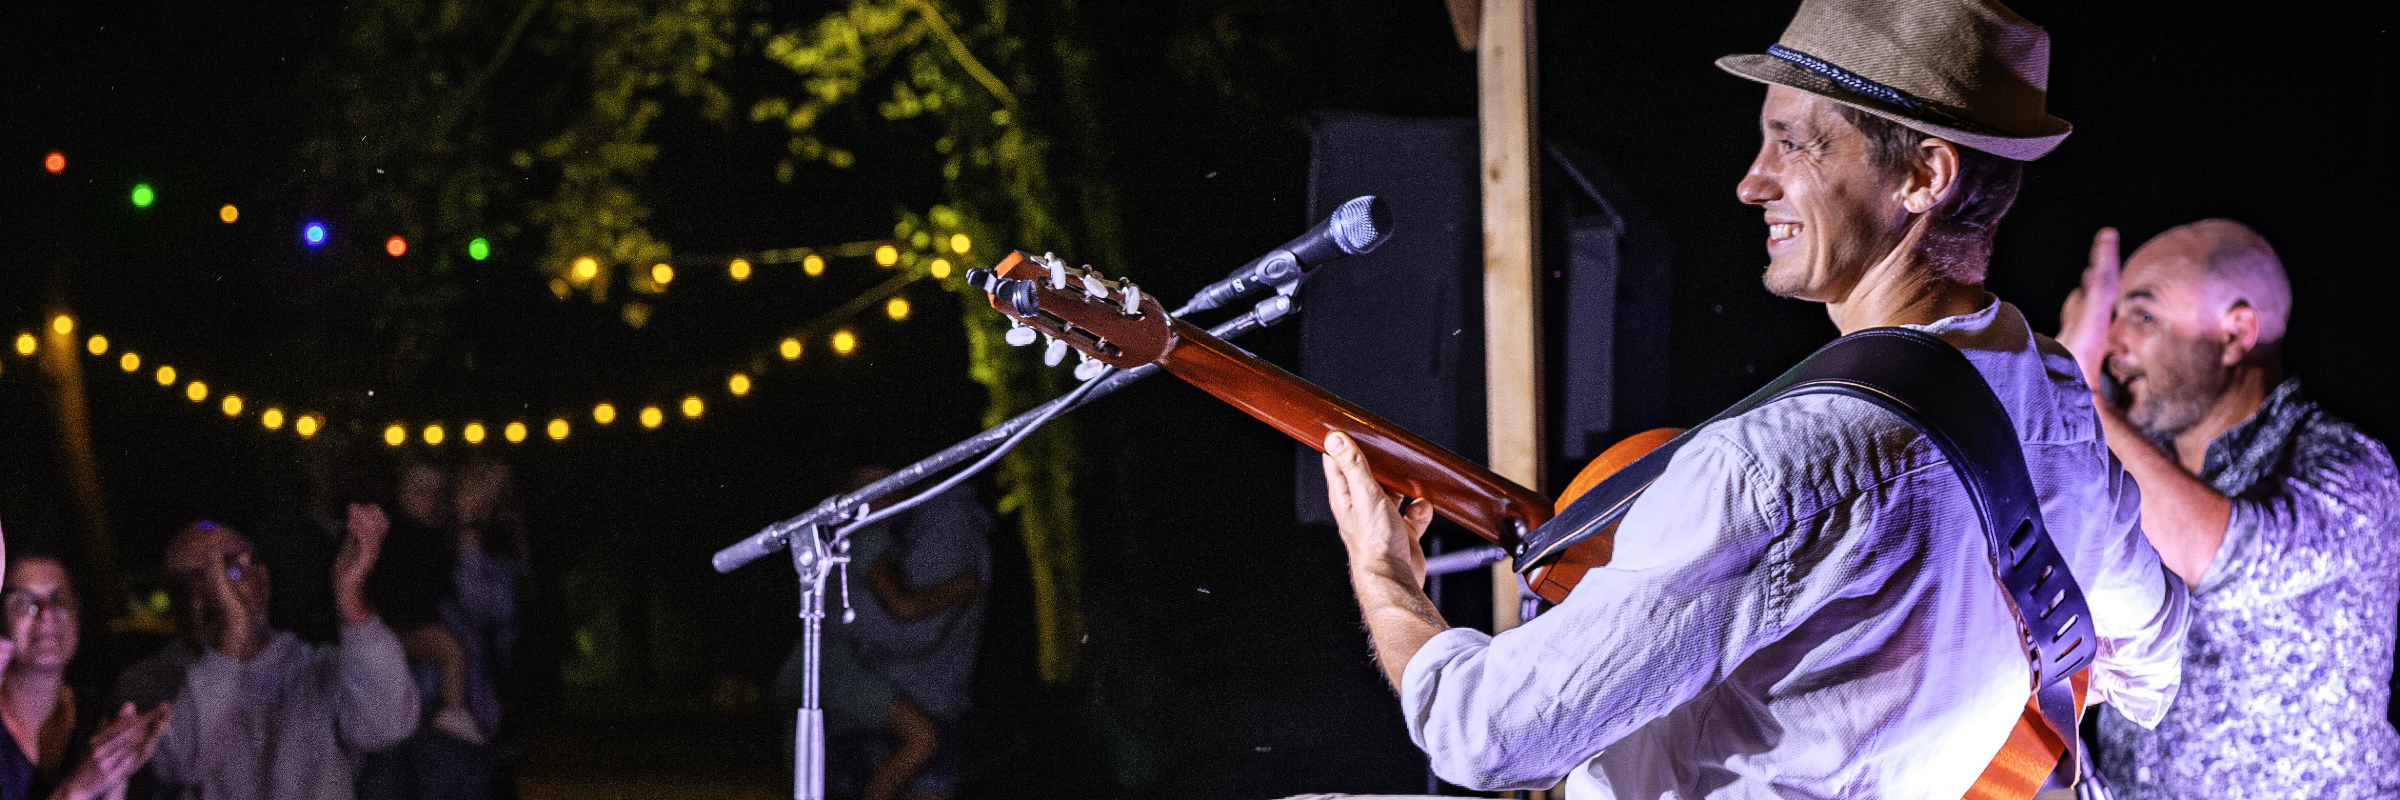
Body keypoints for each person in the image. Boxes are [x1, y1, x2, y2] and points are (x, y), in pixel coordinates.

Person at [1314, 1, 2188, 797]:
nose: (1751, 181)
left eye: (1795, 144)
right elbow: (2149, 665)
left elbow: (1487, 733)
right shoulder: (2056, 400)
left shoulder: (1775, 467)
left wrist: (1385, 572)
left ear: (1925, 175)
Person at [2054, 219, 2400, 797]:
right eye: (2110, 318)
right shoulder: (2124, 457)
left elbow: (2219, 556)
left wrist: (2082, 393)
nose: (2111, 343)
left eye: (2142, 316)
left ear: (2236, 333)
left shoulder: (2349, 465)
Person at [138, 512, 420, 800]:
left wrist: (350, 600)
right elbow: (178, 764)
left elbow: (389, 724)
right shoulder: (156, 682)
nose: (214, 590)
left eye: (228, 568)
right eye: (193, 580)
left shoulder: (315, 667)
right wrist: (232, 637)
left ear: (261, 579)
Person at [780, 468, 991, 800]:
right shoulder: (865, 538)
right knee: (923, 736)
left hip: (832, 665)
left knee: (921, 740)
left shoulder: (861, 538)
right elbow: (903, 607)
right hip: (839, 671)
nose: (888, 495)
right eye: (872, 490)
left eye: (890, 486)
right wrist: (961, 586)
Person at [2, 557, 174, 800]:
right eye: (24, 602)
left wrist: (116, 780)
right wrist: (78, 790)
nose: (46, 613)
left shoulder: (96, 717)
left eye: (58, 600)